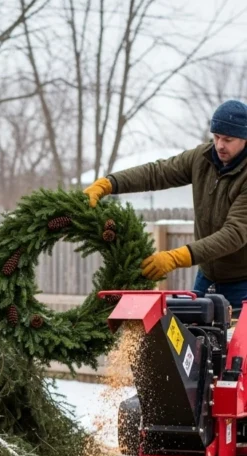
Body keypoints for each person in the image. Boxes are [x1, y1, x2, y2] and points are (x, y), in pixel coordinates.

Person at [83, 99, 247, 311]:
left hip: (242, 283)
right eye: (216, 137)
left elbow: (234, 233)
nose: (219, 145)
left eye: (228, 139)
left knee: (236, 343)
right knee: (194, 336)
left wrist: (176, 257)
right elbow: (157, 173)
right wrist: (109, 183)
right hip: (207, 278)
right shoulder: (202, 158)